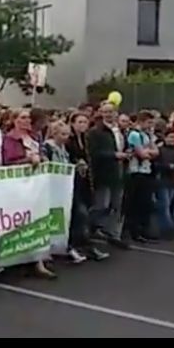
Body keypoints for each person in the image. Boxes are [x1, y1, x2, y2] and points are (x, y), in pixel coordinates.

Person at [1, 107, 56, 279]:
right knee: (19, 221)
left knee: (36, 219)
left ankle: (38, 261)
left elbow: (39, 153)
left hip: (35, 183)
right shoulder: (9, 139)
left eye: (28, 118)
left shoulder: (34, 137)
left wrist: (42, 158)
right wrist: (28, 160)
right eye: (23, 118)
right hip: (18, 184)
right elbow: (8, 162)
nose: (27, 121)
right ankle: (18, 260)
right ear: (14, 120)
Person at [87, 101, 130, 249]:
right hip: (104, 173)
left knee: (117, 205)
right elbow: (94, 153)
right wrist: (113, 155)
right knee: (102, 205)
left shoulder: (120, 131)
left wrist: (126, 153)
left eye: (110, 112)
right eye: (105, 112)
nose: (108, 115)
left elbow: (123, 147)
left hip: (120, 171)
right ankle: (92, 227)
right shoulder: (95, 132)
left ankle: (113, 234)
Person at [67, 112, 110, 261]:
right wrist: (76, 162)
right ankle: (81, 246)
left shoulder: (85, 140)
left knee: (83, 215)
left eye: (85, 122)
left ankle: (83, 246)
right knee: (81, 214)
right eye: (79, 122)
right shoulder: (70, 141)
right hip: (73, 182)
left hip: (85, 181)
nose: (82, 125)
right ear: (72, 124)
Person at [44, 121, 87, 264]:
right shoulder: (47, 147)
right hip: (53, 187)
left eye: (67, 134)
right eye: (62, 134)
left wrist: (76, 165)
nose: (66, 137)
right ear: (54, 133)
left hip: (65, 188)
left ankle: (67, 245)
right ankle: (53, 247)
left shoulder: (64, 148)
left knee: (73, 215)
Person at [124, 110, 159, 243]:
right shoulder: (135, 134)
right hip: (136, 171)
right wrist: (148, 152)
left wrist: (149, 150)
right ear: (141, 122)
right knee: (136, 203)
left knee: (145, 202)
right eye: (148, 123)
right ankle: (135, 231)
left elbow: (156, 151)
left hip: (146, 170)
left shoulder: (147, 135)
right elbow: (142, 154)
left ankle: (143, 229)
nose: (150, 126)